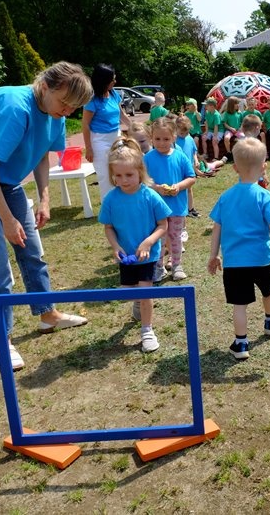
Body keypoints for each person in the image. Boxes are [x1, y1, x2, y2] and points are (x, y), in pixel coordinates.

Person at [0, 61, 93, 371]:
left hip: (7, 182)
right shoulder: (16, 108)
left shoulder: (56, 114)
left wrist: (44, 198)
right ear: (45, 86)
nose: (67, 111)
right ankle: (3, 340)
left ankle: (48, 315)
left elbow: (42, 155)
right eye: (64, 102)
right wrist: (7, 219)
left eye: (73, 108)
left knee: (32, 250)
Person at [208, 138, 270, 361]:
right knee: (269, 290)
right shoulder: (264, 196)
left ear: (235, 168)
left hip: (234, 263)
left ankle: (240, 343)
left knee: (240, 305)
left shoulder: (225, 197)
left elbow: (217, 229)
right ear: (264, 166)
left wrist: (213, 255)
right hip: (261, 260)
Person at [99, 138, 171, 352]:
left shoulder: (150, 196)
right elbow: (108, 227)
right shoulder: (111, 199)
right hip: (126, 256)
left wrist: (148, 242)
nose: (124, 180)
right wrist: (115, 247)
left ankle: (147, 330)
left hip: (147, 256)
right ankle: (138, 302)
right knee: (129, 293)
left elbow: (163, 225)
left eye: (129, 174)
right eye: (118, 175)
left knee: (146, 292)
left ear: (140, 171)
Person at [143, 117, 197, 282]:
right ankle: (158, 267)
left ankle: (176, 265)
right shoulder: (148, 158)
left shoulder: (180, 156)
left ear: (173, 137)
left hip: (176, 207)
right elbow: (142, 181)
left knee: (175, 237)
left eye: (166, 139)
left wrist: (178, 187)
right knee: (158, 239)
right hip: (155, 209)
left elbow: (191, 177)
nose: (161, 143)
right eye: (157, 139)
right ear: (151, 138)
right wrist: (157, 188)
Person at [82, 64, 132, 200]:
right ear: (103, 81)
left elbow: (122, 115)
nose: (115, 81)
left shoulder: (114, 94)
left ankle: (123, 200)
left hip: (116, 138)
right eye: (112, 79)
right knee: (105, 177)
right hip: (99, 140)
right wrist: (89, 148)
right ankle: (108, 205)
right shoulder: (92, 99)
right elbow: (85, 124)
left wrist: (134, 127)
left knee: (122, 170)